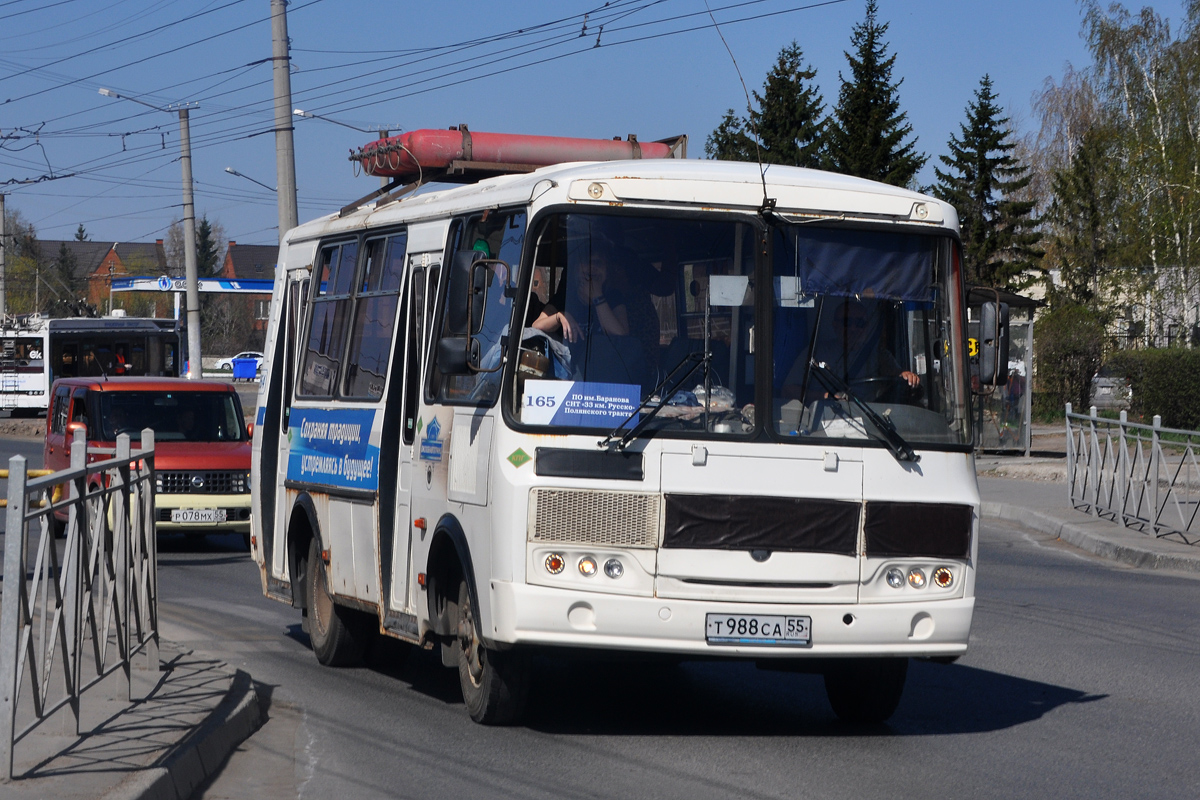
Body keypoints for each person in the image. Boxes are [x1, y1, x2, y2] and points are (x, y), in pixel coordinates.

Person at [782, 299, 919, 401]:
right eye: (847, 322)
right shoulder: (817, 352)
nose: (853, 329)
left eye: (860, 323)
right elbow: (788, 391)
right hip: (826, 419)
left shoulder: (880, 355)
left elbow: (899, 376)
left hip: (871, 422)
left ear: (866, 327)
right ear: (835, 326)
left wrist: (907, 376)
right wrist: (824, 396)